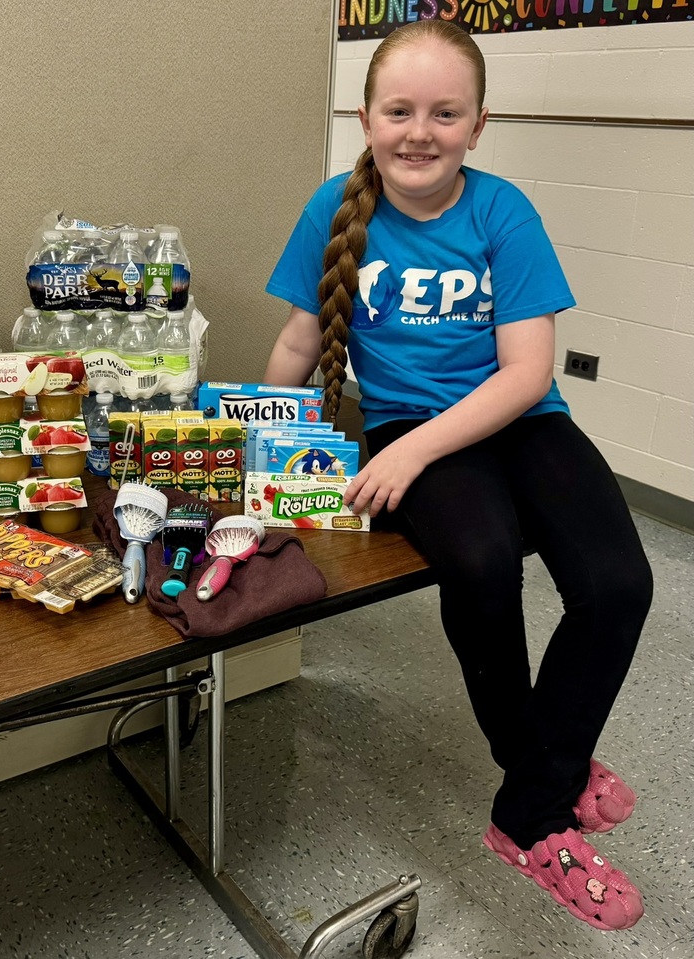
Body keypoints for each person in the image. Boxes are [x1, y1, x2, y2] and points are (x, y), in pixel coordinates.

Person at [263, 19, 653, 932]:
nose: (420, 131)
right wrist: (232, 440)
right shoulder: (334, 207)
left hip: (518, 419)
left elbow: (525, 373)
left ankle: (531, 793)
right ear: (367, 118)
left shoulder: (502, 210)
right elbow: (296, 338)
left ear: (479, 125)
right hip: (404, 422)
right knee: (480, 563)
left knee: (618, 582)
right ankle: (539, 796)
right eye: (400, 110)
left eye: (446, 112)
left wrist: (412, 450)